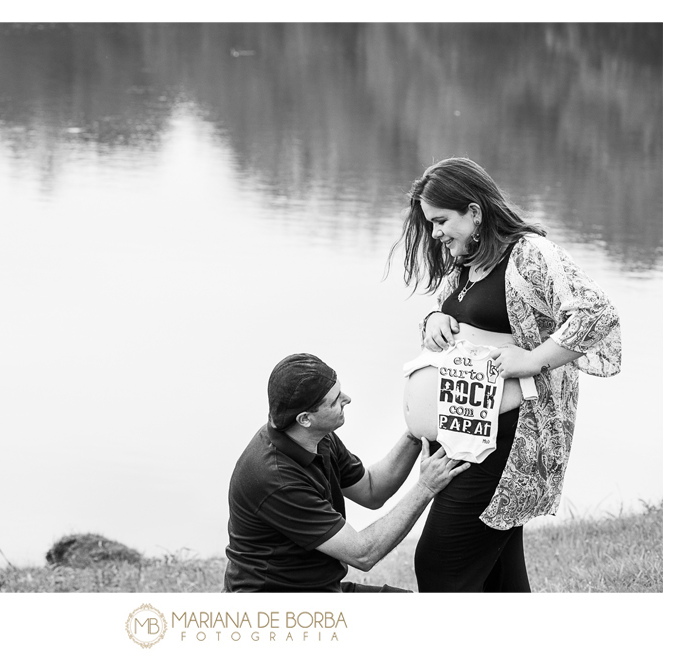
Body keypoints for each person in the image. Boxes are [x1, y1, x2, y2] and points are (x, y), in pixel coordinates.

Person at [388, 157, 621, 592]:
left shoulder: (530, 254)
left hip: (503, 443)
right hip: (463, 434)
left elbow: (597, 314)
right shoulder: (466, 257)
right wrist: (435, 318)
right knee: (499, 579)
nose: (435, 233)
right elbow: (471, 322)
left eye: (441, 221)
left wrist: (533, 361)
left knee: (441, 565)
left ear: (474, 212)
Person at [223, 353, 469, 592]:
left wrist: (418, 426)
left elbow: (372, 490)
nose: (348, 399)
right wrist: (425, 487)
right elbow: (363, 554)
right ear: (305, 418)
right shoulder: (276, 479)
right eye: (335, 400)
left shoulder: (315, 437)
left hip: (319, 588)